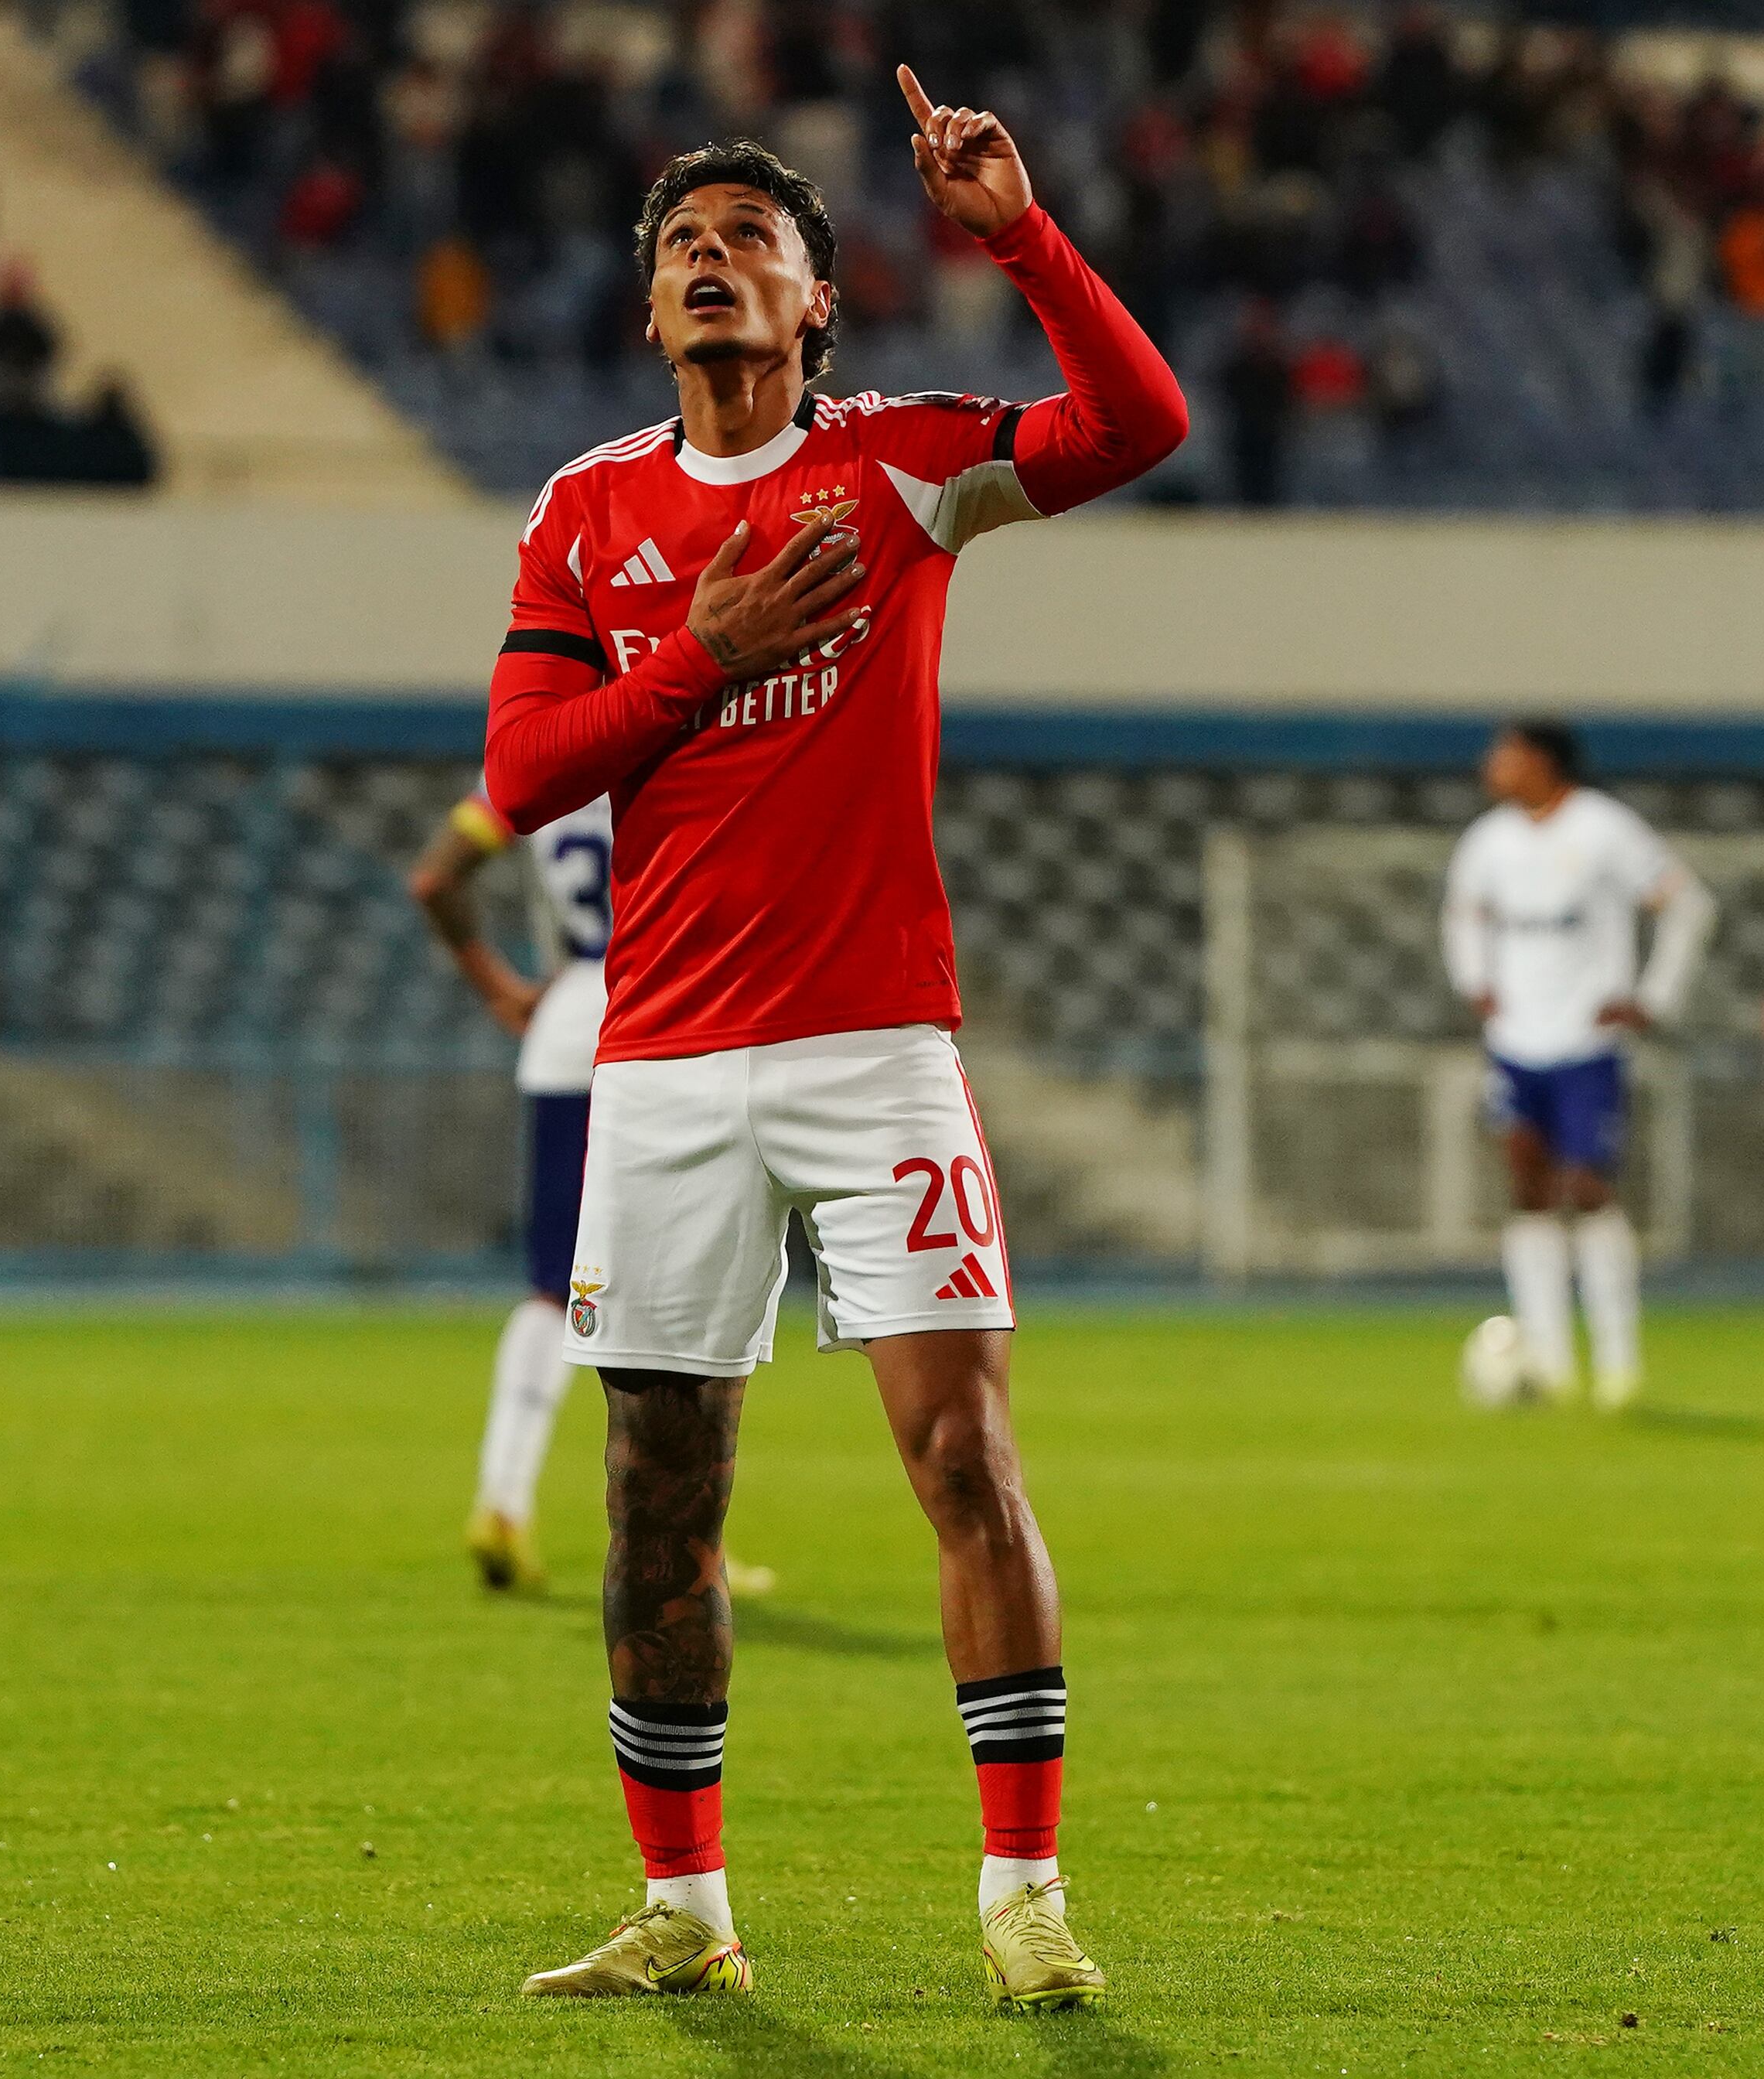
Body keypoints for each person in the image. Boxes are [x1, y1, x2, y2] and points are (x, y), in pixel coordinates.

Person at [480, 67, 1184, 2009]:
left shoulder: (901, 465)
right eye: (683, 249)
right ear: (651, 315)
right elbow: (525, 775)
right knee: (655, 1510)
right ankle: (685, 1914)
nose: (714, 264)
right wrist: (701, 648)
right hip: (670, 1070)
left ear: (814, 306)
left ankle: (1024, 1892)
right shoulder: (588, 513)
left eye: (753, 244)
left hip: (879, 1049)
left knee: (965, 1461)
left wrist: (1023, 241)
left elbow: (1143, 422)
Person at [408, 783, 774, 1606]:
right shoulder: (695, 736)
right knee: (681, 1295)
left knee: (551, 1288)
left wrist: (499, 988)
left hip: (571, 1027)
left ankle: (502, 1499)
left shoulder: (545, 758)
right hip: (674, 1021)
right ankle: (688, 1540)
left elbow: (434, 880)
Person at [1442, 722, 1716, 1412]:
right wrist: (1474, 979)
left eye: (1507, 755)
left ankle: (1619, 1364)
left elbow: (1688, 904)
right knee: (1528, 1187)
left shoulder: (1604, 830)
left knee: (1588, 1188)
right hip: (1514, 1040)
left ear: (1545, 763)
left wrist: (1653, 998)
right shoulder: (1488, 841)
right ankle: (1549, 1362)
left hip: (1585, 1043)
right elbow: (1464, 916)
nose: (1493, 766)